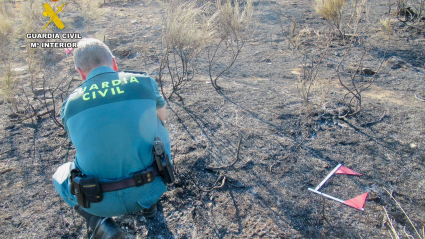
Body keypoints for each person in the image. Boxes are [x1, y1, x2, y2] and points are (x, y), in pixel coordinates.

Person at [52, 38, 172, 239]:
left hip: (96, 200)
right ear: (114, 62)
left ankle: (100, 223)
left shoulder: (70, 104)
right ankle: (149, 206)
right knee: (155, 124)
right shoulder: (144, 82)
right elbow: (161, 118)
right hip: (151, 186)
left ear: (80, 72)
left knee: (59, 175)